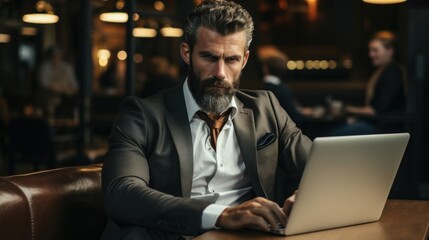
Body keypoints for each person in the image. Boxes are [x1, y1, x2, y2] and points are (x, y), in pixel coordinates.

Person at [102, 1, 312, 239]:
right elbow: (122, 193)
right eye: (209, 57)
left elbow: (318, 167)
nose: (220, 73)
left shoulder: (267, 108)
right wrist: (222, 215)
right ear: (186, 53)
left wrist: (307, 195)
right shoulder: (141, 114)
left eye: (231, 60)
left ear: (244, 60)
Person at [329, 31, 407, 135]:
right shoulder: (381, 71)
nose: (371, 54)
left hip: (385, 128)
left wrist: (346, 109)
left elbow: (377, 111)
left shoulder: (392, 72)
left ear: (390, 51)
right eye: (370, 50)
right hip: (377, 123)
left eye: (375, 50)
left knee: (333, 133)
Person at [261, 56, 305, 126]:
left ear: (265, 69)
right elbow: (293, 113)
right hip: (289, 126)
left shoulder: (264, 88)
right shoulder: (283, 88)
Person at [38, 46, 79, 117]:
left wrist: (63, 89)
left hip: (65, 101)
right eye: (53, 56)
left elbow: (75, 87)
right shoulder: (45, 67)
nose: (56, 58)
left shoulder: (66, 67)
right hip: (47, 100)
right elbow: (44, 84)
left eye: (58, 56)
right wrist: (56, 88)